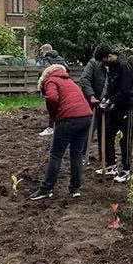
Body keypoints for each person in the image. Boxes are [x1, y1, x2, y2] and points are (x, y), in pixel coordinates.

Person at [29, 65, 93, 200]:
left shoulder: (50, 81)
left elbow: (52, 98)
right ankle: (75, 188)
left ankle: (46, 189)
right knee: (76, 154)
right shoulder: (69, 81)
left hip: (68, 119)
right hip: (86, 117)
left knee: (56, 155)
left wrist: (54, 115)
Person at [96, 46, 133, 183]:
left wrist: (111, 100)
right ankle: (111, 165)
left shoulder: (123, 66)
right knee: (108, 133)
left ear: (110, 56)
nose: (104, 63)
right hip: (115, 107)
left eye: (105, 60)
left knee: (125, 139)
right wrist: (105, 99)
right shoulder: (111, 67)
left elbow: (125, 89)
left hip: (127, 106)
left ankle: (126, 170)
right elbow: (111, 86)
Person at [79, 46, 109, 160]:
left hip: (108, 103)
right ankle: (82, 154)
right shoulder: (93, 64)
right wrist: (91, 96)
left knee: (107, 130)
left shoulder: (113, 64)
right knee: (90, 128)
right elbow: (84, 79)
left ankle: (105, 155)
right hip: (94, 102)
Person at [37, 44, 69, 136]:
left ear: (45, 50)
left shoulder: (46, 59)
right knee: (62, 104)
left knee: (52, 105)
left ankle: (51, 127)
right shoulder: (61, 59)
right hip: (63, 83)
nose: (41, 53)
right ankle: (61, 124)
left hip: (52, 84)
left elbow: (46, 71)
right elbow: (67, 69)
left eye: (42, 51)